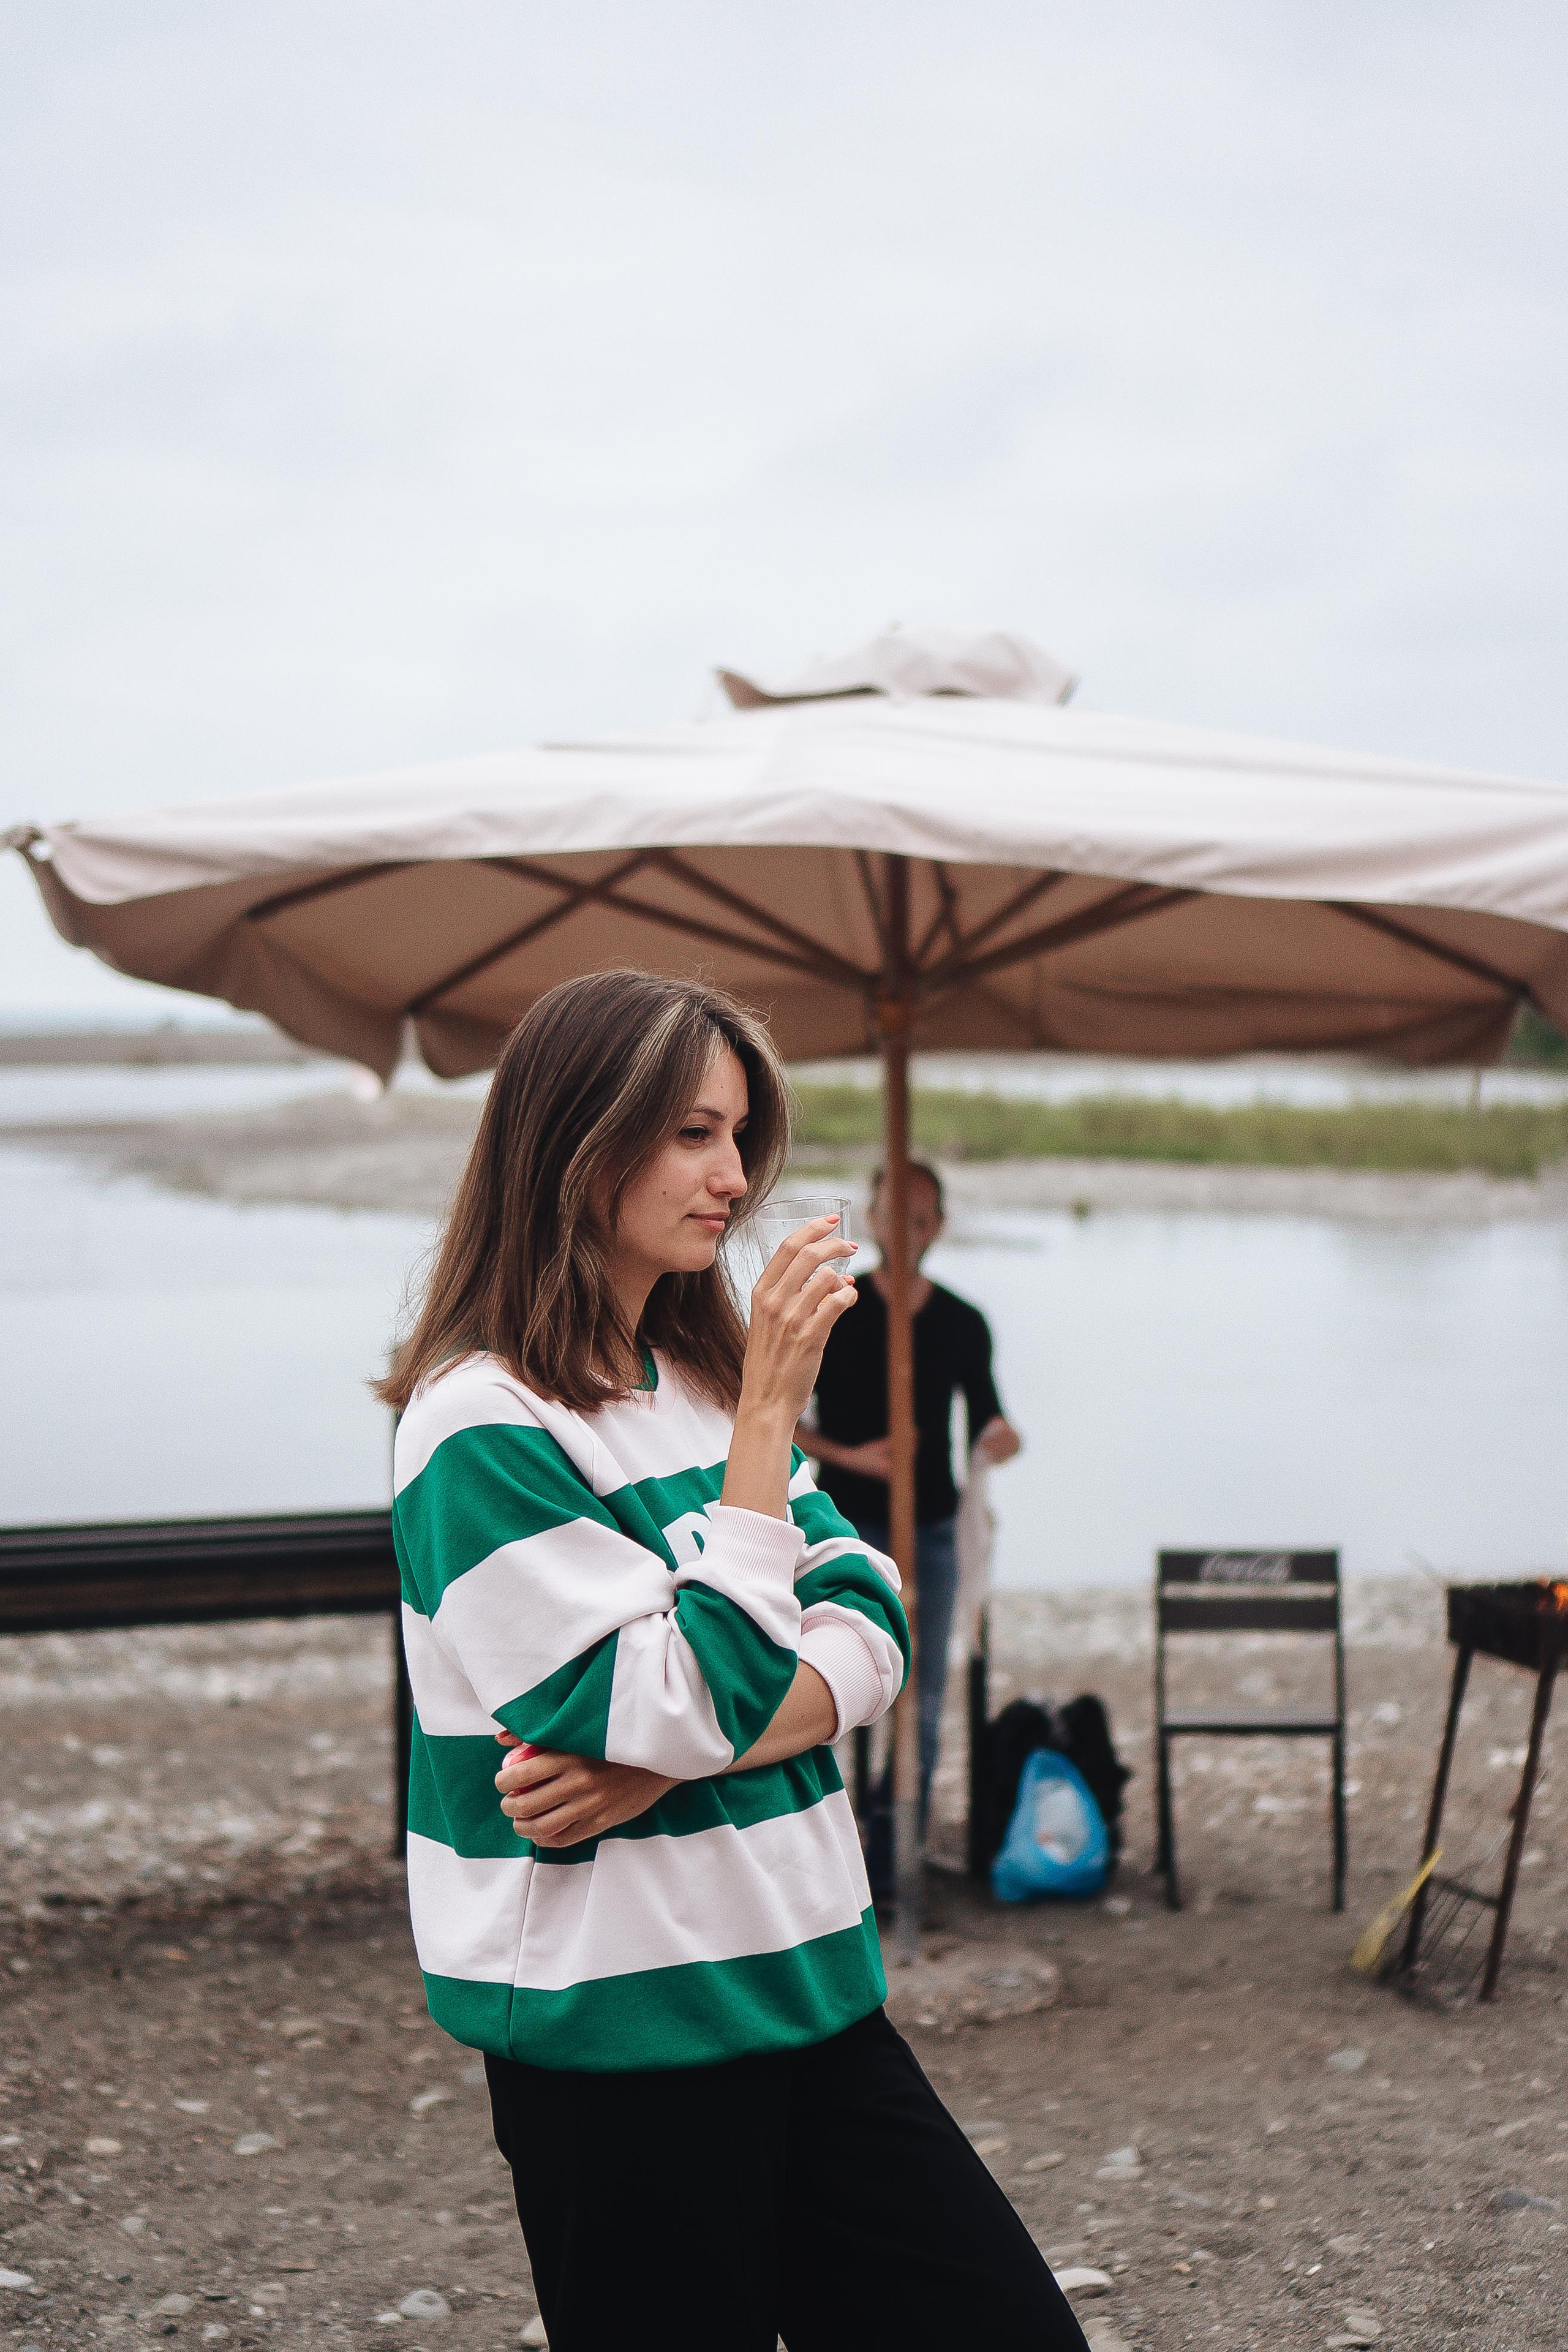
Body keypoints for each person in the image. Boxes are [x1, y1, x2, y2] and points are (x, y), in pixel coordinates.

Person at [377, 970, 1086, 2352]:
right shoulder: (479, 1426)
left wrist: (656, 1776)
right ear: (582, 1142)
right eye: (694, 1133)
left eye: (740, 1134)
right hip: (619, 2029)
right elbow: (680, 1696)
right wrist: (770, 1421)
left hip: (811, 1984)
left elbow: (872, 1622)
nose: (736, 1175)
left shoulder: (690, 1382)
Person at [799, 1161, 1021, 1849]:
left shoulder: (963, 1323)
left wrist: (1000, 1439)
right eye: (894, 1213)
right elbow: (784, 1422)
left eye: (921, 1217)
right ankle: (821, 1843)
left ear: (938, 1227)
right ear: (872, 1218)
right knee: (821, 1685)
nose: (907, 1228)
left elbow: (986, 1419)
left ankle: (900, 1852)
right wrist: (855, 1457)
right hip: (842, 1526)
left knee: (922, 1699)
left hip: (930, 1524)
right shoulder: (837, 1308)